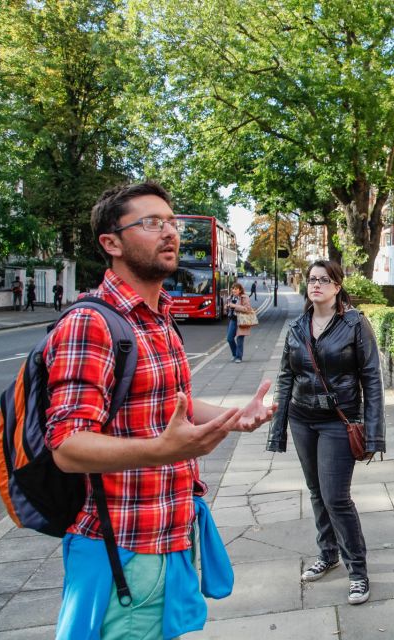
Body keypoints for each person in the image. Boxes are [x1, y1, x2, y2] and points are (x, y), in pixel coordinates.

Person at [44, 180, 277, 638]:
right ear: (111, 243)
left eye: (171, 222)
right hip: (124, 549)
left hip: (171, 535)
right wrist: (161, 451)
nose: (170, 232)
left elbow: (171, 404)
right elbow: (68, 446)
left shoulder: (158, 315)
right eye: (151, 223)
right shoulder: (91, 323)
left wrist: (233, 416)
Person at [266, 259, 385, 606]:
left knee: (336, 497)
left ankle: (358, 571)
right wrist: (278, 429)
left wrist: (374, 433)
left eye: (323, 280)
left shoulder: (354, 324)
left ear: (337, 286)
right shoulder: (297, 326)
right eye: (312, 279)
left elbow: (372, 379)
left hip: (339, 421)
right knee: (316, 492)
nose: (316, 284)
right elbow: (286, 378)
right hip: (302, 420)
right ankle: (328, 552)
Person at [224, 282, 253, 363]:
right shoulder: (230, 297)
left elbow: (247, 309)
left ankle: (238, 357)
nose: (234, 290)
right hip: (233, 320)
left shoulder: (244, 297)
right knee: (229, 338)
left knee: (239, 340)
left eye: (236, 289)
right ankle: (234, 354)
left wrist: (234, 306)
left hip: (242, 320)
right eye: (233, 289)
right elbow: (229, 309)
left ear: (240, 290)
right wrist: (226, 307)